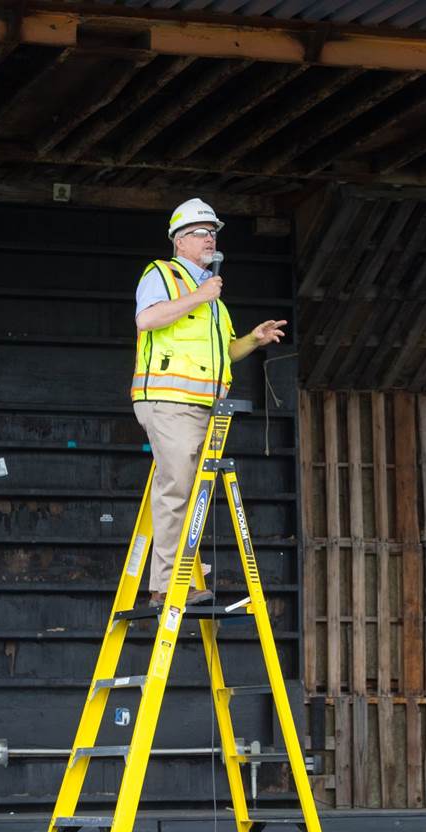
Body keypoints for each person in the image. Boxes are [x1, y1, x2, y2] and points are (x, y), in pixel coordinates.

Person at [131, 198, 287, 608]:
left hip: (204, 408)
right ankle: (166, 585)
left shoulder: (212, 299)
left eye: (213, 232)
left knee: (192, 492)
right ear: (180, 241)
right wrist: (199, 296)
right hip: (168, 402)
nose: (210, 238)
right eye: (202, 232)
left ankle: (189, 577)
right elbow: (146, 320)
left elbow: (224, 355)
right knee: (177, 489)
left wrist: (254, 339)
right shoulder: (162, 274)